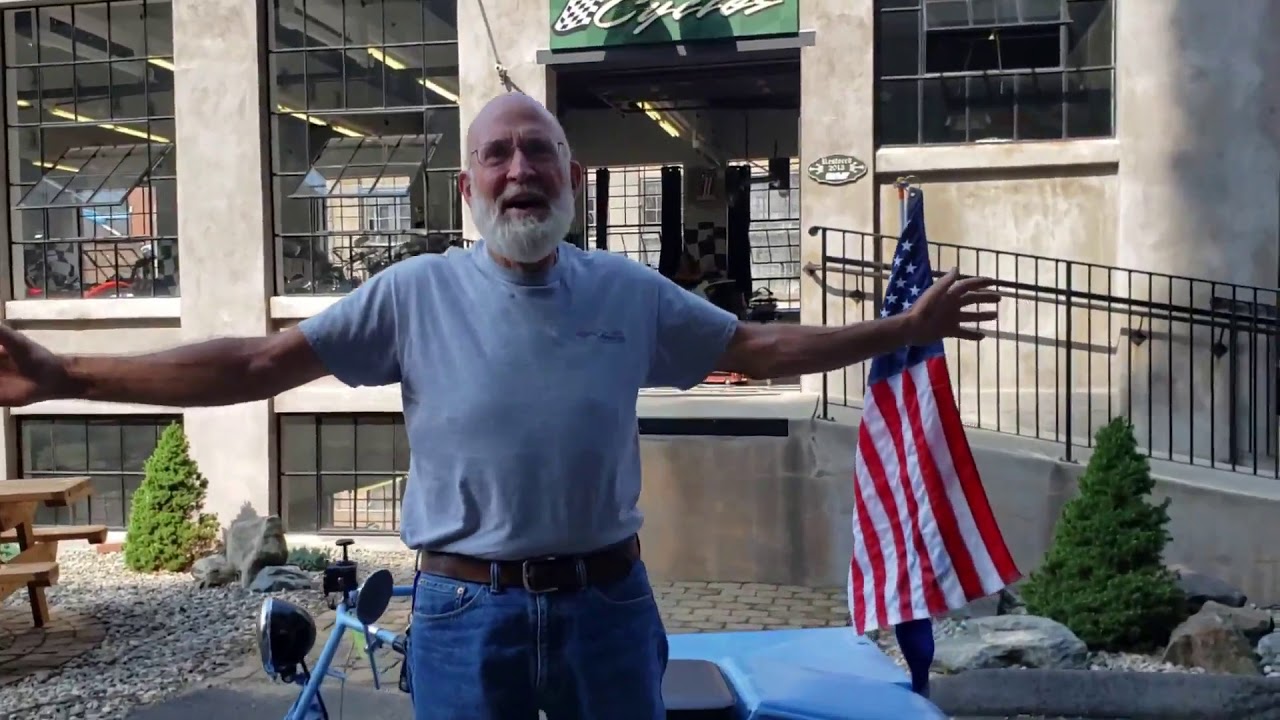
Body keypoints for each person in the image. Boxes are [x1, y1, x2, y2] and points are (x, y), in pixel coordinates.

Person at [0, 92, 1000, 719]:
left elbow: (752, 344)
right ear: (469, 185)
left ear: (571, 174)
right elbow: (256, 362)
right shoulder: (411, 293)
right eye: (498, 155)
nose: (520, 170)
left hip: (609, 610)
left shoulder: (627, 291)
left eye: (538, 152)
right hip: (460, 614)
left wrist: (895, 331)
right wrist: (68, 377)